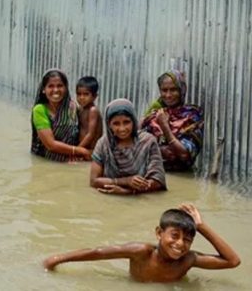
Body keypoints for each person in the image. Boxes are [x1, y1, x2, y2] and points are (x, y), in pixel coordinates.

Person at [42, 203, 240, 283]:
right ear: (159, 233)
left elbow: (233, 261)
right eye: (174, 236)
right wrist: (58, 259)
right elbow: (98, 252)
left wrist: (201, 227)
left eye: (187, 239)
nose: (180, 244)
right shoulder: (141, 252)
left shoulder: (188, 260)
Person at [90, 99, 166, 195]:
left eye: (126, 122)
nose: (122, 129)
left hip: (141, 199)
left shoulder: (148, 142)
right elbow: (94, 181)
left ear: (133, 121)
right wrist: (125, 181)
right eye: (116, 123)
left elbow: (158, 181)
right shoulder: (103, 144)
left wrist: (127, 192)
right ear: (109, 125)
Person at [141, 70, 204, 171]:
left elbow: (184, 154)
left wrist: (165, 127)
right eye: (164, 90)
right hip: (151, 173)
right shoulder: (154, 115)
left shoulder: (192, 114)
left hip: (182, 176)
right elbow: (134, 146)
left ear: (181, 90)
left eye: (173, 90)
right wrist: (161, 150)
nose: (168, 95)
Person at [31, 69, 91, 161]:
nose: (55, 90)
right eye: (50, 86)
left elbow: (83, 134)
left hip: (72, 160)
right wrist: (80, 151)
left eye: (60, 86)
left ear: (66, 88)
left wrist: (76, 156)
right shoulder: (39, 110)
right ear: (43, 90)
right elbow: (50, 145)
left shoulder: (73, 107)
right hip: (47, 161)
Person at [76, 76, 103, 150]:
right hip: (83, 147)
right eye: (79, 94)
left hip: (91, 150)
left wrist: (76, 149)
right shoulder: (81, 109)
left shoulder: (93, 111)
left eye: (86, 94)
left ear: (94, 96)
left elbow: (90, 134)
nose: (81, 97)